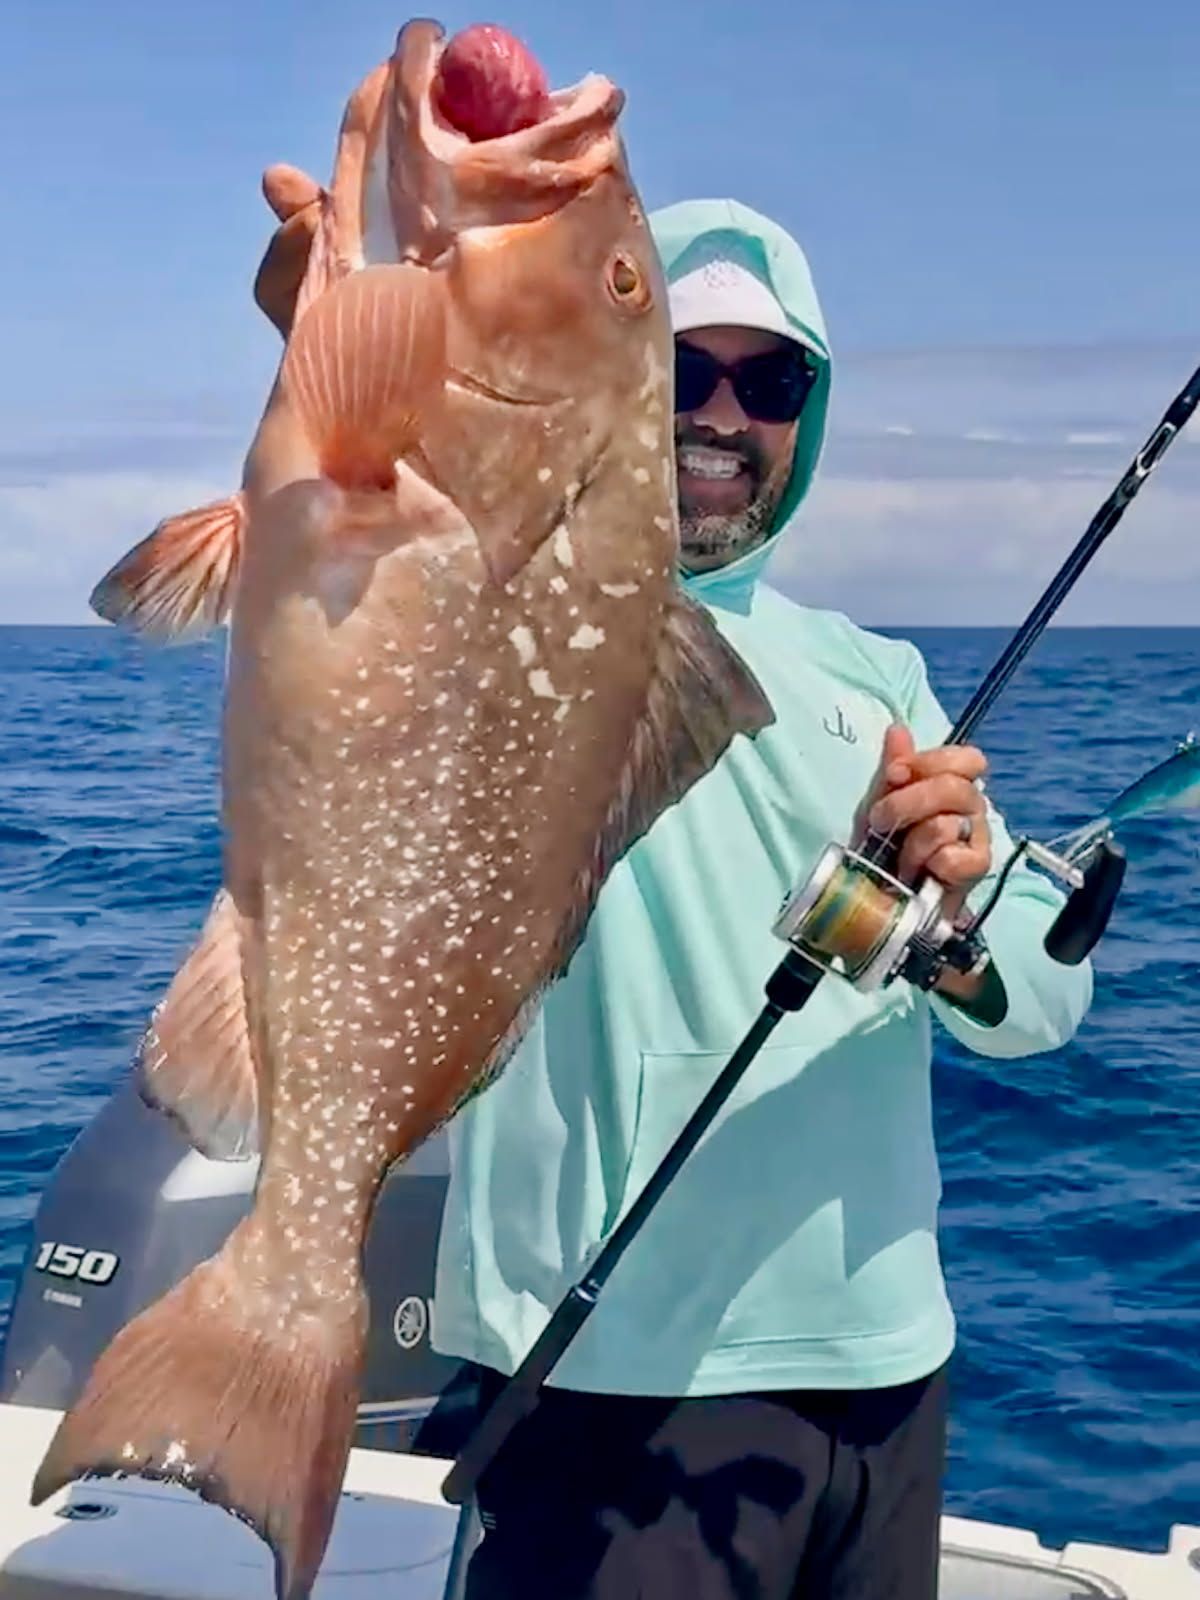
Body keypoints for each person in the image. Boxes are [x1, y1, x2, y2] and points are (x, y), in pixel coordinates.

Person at [254, 192, 1093, 1598]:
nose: (722, 411)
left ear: (807, 418)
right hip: (605, 1376)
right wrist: (321, 335)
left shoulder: (876, 674)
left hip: (886, 1371)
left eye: (769, 382)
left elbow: (1050, 996)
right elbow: (365, 518)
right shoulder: (508, 596)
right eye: (680, 368)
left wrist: (954, 926)